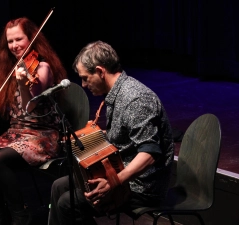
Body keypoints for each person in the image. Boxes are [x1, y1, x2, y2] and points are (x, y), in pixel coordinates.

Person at [48, 40, 174, 225]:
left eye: (85, 78)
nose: (83, 84)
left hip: (141, 185)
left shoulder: (135, 98)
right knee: (58, 186)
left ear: (100, 71)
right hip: (120, 170)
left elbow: (150, 154)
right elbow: (125, 136)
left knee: (68, 204)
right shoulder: (116, 93)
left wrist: (114, 181)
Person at [0, 17, 67, 225]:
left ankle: (20, 214)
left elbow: (32, 106)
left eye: (19, 39)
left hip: (43, 135)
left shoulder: (42, 67)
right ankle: (1, 213)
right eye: (10, 41)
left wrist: (23, 81)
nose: (14, 45)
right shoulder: (6, 70)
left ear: (31, 39)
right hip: (16, 132)